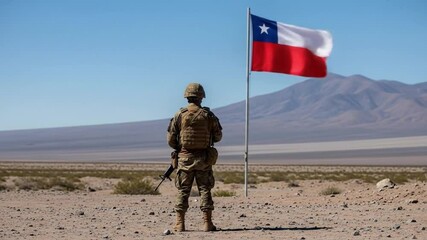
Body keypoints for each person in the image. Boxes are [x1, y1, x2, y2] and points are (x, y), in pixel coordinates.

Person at [166, 82, 222, 232]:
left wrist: (181, 147)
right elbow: (218, 137)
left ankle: (180, 224)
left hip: (185, 159)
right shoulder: (208, 115)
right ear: (201, 97)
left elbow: (171, 140)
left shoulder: (179, 114)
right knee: (205, 189)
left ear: (187, 97)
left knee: (183, 190)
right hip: (203, 159)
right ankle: (207, 223)